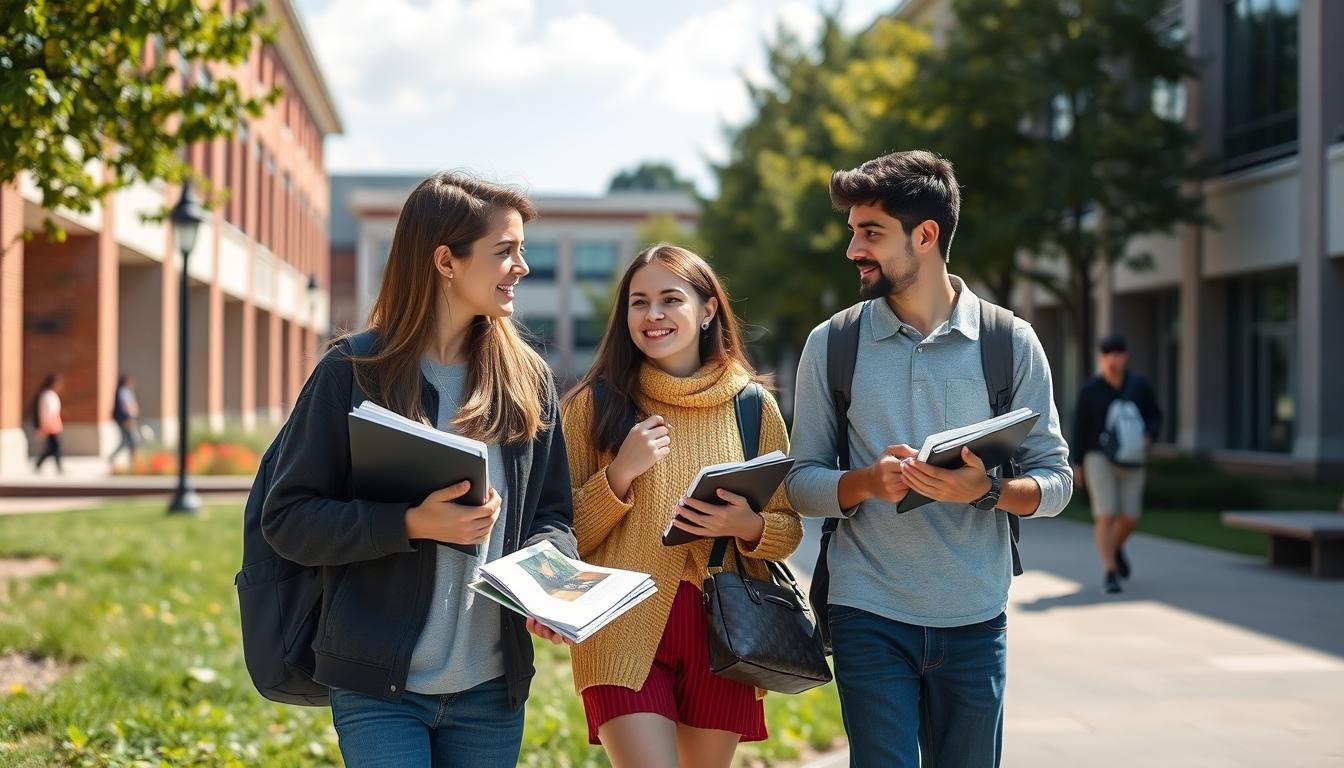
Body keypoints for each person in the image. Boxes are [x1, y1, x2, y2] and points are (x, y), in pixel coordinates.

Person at [260, 172, 577, 768]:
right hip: (378, 685)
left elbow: (552, 515)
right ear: (445, 261)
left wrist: (547, 582)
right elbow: (289, 519)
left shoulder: (528, 380)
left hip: (491, 690)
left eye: (523, 251)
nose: (522, 267)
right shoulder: (352, 372)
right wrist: (410, 523)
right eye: (505, 251)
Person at [785, 151, 1073, 768]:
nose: (853, 249)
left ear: (926, 235)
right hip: (868, 612)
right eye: (852, 231)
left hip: (975, 616)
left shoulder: (1008, 342)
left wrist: (983, 492)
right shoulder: (832, 344)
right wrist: (865, 482)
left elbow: (1056, 483)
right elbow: (799, 482)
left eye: (871, 233)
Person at [560, 244, 802, 768]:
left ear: (708, 309)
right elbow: (562, 536)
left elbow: (788, 528)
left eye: (671, 299)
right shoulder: (592, 406)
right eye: (639, 302)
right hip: (621, 627)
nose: (653, 315)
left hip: (724, 631)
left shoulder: (752, 406)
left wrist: (748, 525)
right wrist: (619, 474)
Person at [1071, 333, 1162, 594]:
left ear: (1125, 356)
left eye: (1117, 354)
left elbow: (1155, 416)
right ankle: (1110, 571)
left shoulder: (1139, 386)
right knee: (1106, 513)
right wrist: (1077, 465)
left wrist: (1149, 437)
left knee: (1130, 518)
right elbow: (1080, 428)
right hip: (1098, 457)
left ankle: (1116, 546)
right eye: (1107, 354)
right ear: (1101, 358)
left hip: (1132, 459)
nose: (1112, 360)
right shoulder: (1090, 390)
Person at [32, 373, 65, 474]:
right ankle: (56, 466)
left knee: (53, 447)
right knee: (55, 446)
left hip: (53, 423)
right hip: (50, 424)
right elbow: (46, 412)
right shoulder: (46, 395)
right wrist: (45, 425)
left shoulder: (50, 394)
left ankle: (40, 463)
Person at [109, 374, 141, 467]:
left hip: (129, 419)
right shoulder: (123, 392)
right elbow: (126, 407)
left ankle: (131, 460)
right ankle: (133, 461)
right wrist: (129, 418)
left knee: (126, 441)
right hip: (126, 419)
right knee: (131, 440)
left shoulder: (126, 391)